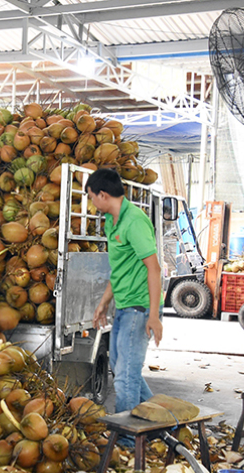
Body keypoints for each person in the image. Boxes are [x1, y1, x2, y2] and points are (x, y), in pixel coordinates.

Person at [89, 168, 163, 417]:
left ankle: (129, 441)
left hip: (139, 309)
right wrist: (103, 302)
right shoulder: (112, 220)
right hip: (123, 306)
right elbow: (120, 268)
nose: (91, 202)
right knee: (119, 368)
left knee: (124, 378)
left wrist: (154, 316)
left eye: (91, 196)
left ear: (102, 195)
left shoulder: (134, 221)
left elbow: (154, 269)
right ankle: (163, 422)